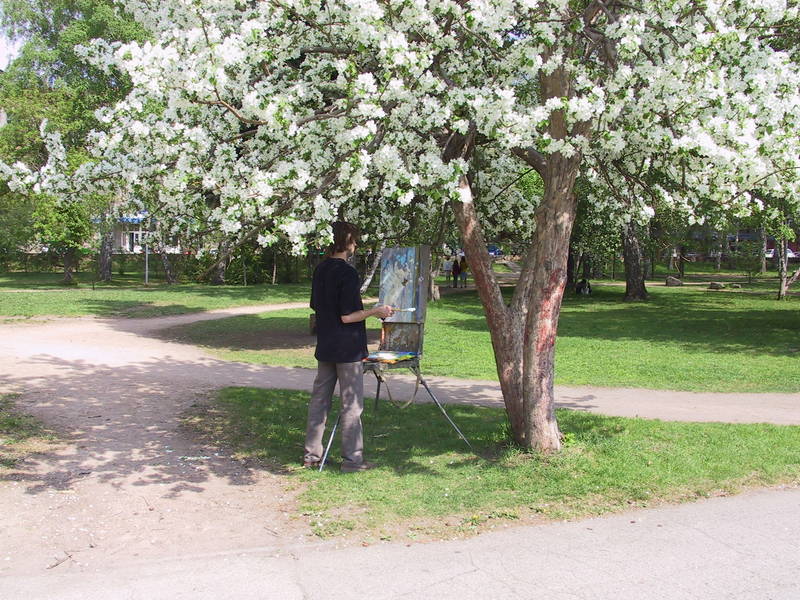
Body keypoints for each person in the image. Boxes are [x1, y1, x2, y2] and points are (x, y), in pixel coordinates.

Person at [304, 222, 393, 473]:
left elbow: (315, 305)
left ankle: (311, 456)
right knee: (351, 404)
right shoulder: (347, 273)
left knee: (319, 401)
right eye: (355, 241)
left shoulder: (320, 269)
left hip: (326, 345)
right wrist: (376, 311)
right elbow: (348, 316)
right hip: (348, 348)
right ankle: (353, 461)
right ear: (348, 241)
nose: (356, 246)